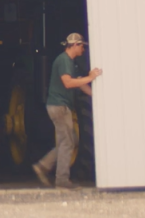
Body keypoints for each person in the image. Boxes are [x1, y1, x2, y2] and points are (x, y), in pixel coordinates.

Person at [32, 32, 102, 189]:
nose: (83, 49)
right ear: (75, 45)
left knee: (70, 141)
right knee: (68, 143)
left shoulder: (70, 62)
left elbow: (79, 82)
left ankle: (43, 166)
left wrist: (96, 95)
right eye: (82, 46)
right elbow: (68, 83)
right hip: (60, 106)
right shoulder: (64, 60)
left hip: (59, 106)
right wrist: (91, 77)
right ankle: (62, 180)